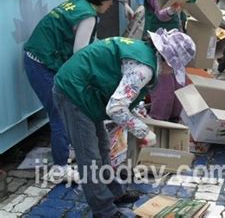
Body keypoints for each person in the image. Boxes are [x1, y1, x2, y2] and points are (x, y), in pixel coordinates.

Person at [52, 30, 196, 218]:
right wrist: (143, 132)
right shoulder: (143, 69)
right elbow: (116, 108)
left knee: (103, 146)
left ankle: (113, 191)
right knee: (90, 157)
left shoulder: (144, 53)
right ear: (167, 60)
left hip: (88, 90)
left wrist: (137, 117)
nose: (170, 73)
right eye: (174, 68)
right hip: (74, 92)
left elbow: (124, 97)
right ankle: (104, 211)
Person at [23, 0, 122, 182]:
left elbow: (90, 41)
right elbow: (81, 53)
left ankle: (67, 149)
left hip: (38, 56)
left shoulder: (81, 4)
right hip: (41, 63)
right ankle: (59, 168)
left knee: (63, 109)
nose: (112, 5)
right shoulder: (88, 15)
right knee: (60, 112)